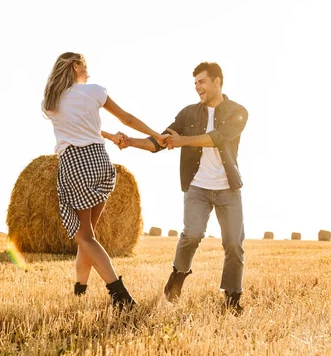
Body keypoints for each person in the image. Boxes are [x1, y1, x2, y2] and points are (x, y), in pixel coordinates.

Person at [116, 62, 248, 314]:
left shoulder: (237, 111)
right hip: (197, 185)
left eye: (202, 81)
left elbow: (218, 137)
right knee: (192, 234)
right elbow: (160, 141)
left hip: (228, 188)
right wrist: (130, 141)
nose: (197, 87)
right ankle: (178, 274)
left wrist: (183, 141)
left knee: (233, 243)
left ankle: (232, 298)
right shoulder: (188, 113)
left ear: (217, 81)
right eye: (195, 83)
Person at [42, 52, 168, 309]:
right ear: (76, 66)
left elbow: (77, 125)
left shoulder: (50, 101)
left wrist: (109, 135)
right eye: (86, 67)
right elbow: (126, 119)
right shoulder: (95, 92)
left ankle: (120, 296)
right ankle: (80, 289)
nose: (89, 72)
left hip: (75, 164)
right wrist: (156, 134)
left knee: (85, 236)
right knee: (89, 236)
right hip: (99, 161)